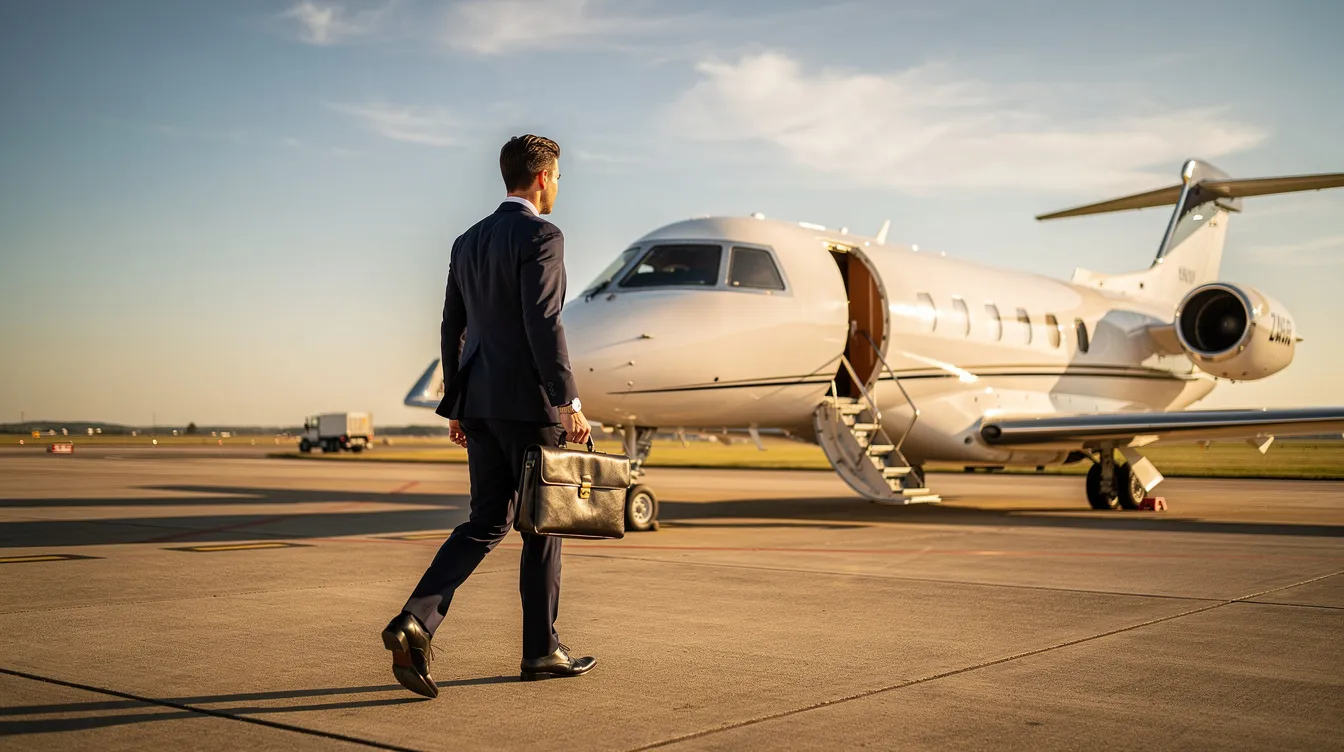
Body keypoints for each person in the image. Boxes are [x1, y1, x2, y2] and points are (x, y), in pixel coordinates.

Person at [381, 134, 595, 698]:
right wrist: (568, 402)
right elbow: (544, 322)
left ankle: (416, 620)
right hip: (530, 406)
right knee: (542, 526)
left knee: (485, 523)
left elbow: (452, 327)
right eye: (559, 178)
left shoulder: (467, 241)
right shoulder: (542, 235)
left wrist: (456, 403)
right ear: (545, 178)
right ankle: (540, 650)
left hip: (479, 405)